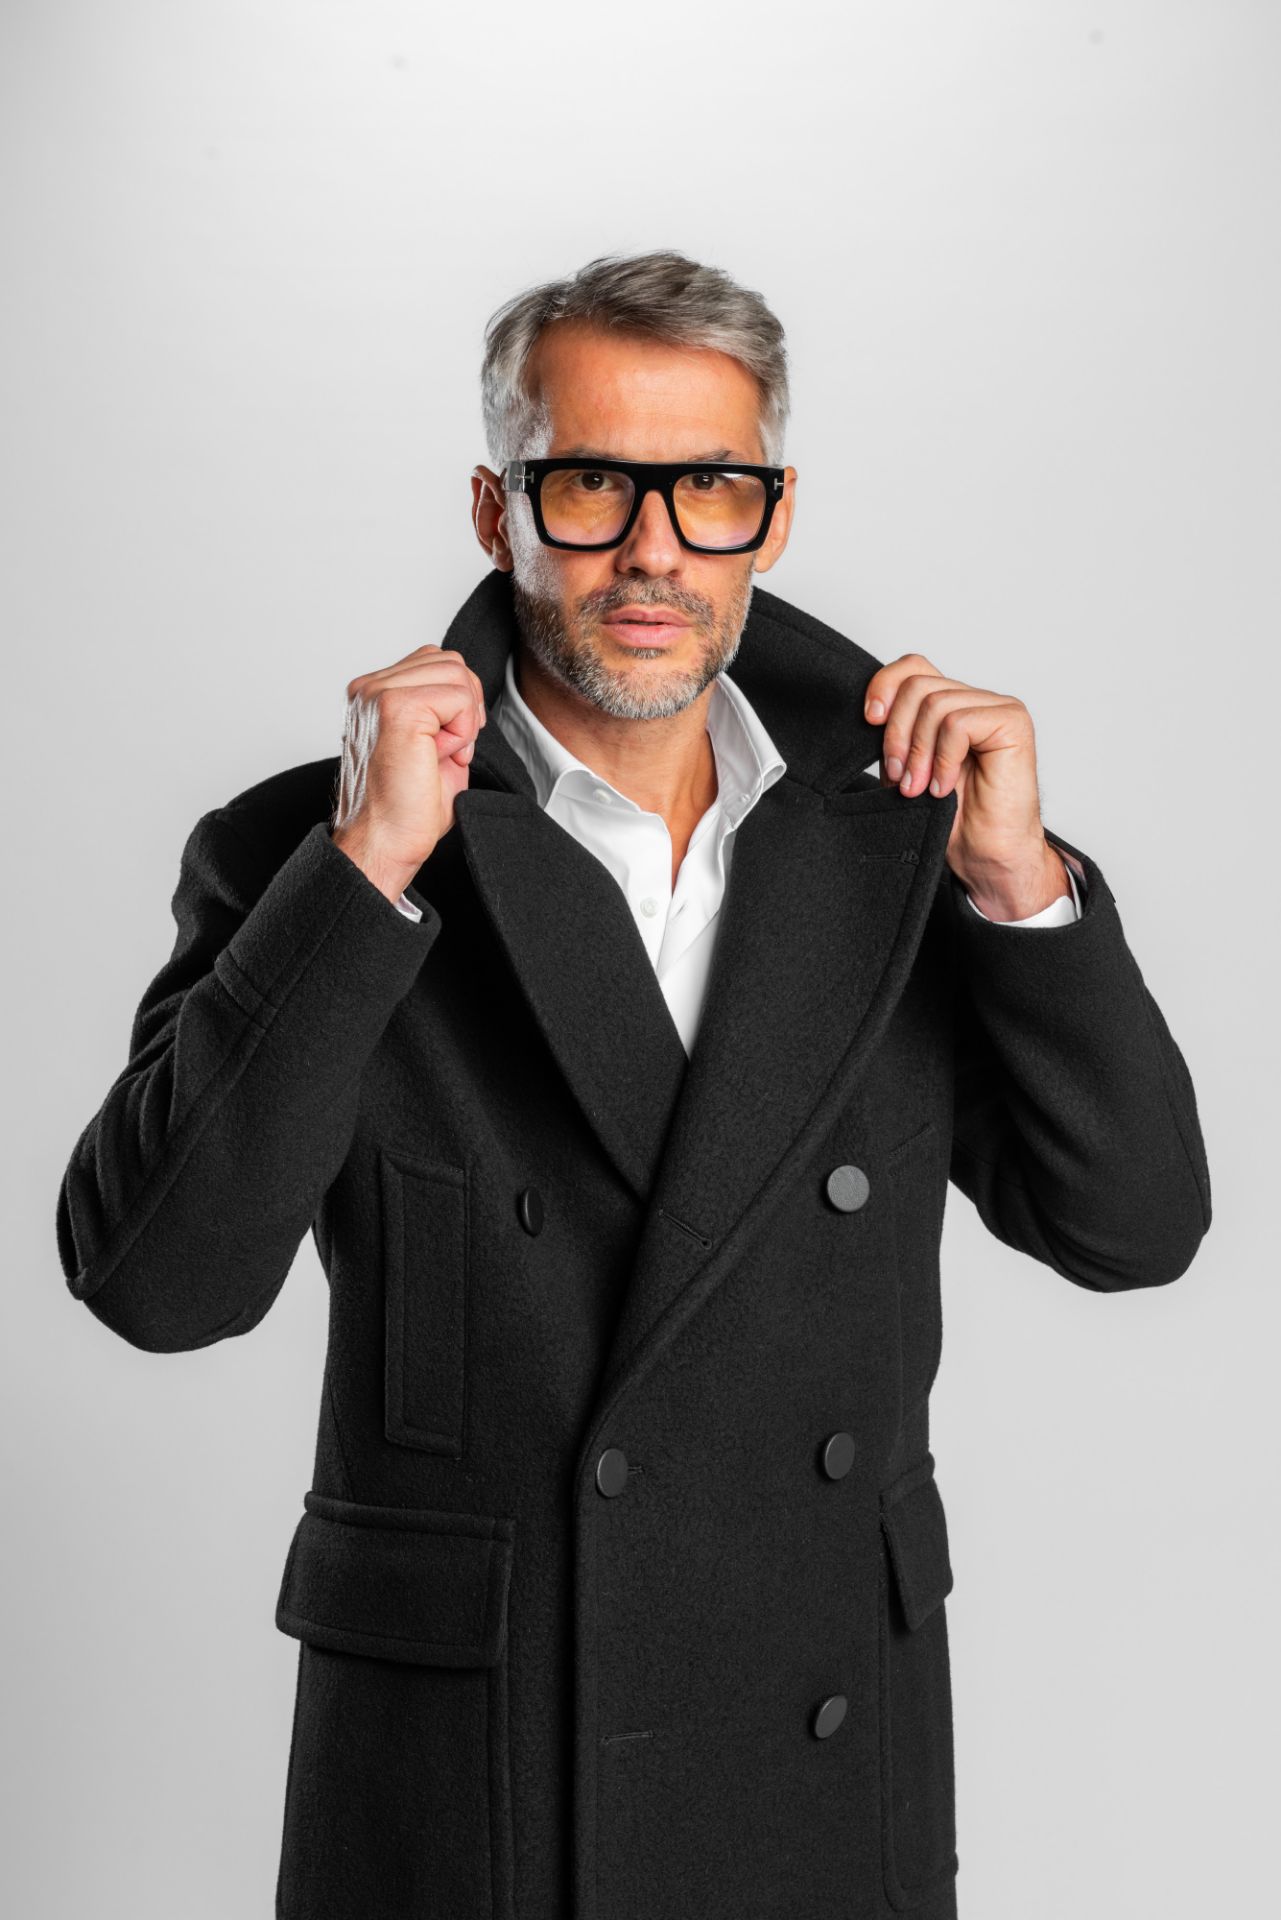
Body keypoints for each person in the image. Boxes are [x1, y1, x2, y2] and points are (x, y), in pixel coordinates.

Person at [55, 249, 1212, 1920]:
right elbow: (157, 1287)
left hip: (821, 1773)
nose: (654, 549)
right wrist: (362, 874)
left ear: (773, 517)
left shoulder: (909, 846)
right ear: (495, 508)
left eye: (711, 489)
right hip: (478, 1789)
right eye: (592, 484)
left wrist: (1020, 886)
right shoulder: (310, 851)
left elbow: (1133, 1228)